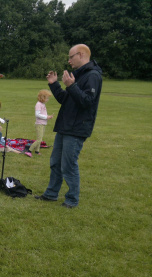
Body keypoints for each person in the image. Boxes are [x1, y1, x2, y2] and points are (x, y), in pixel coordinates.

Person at [35, 44, 102, 208]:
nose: (69, 60)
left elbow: (87, 102)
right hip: (65, 126)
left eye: (71, 57)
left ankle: (72, 199)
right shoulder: (78, 75)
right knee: (55, 162)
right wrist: (54, 84)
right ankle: (51, 194)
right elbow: (67, 99)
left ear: (80, 55)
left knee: (68, 164)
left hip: (77, 128)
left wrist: (72, 86)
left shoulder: (93, 76)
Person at [25, 90, 54, 157]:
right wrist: (46, 117)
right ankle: (29, 151)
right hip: (39, 124)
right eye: (47, 98)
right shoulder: (38, 104)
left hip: (42, 124)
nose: (48, 99)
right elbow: (37, 115)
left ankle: (37, 151)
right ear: (42, 98)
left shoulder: (42, 104)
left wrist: (48, 117)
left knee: (40, 138)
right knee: (39, 139)